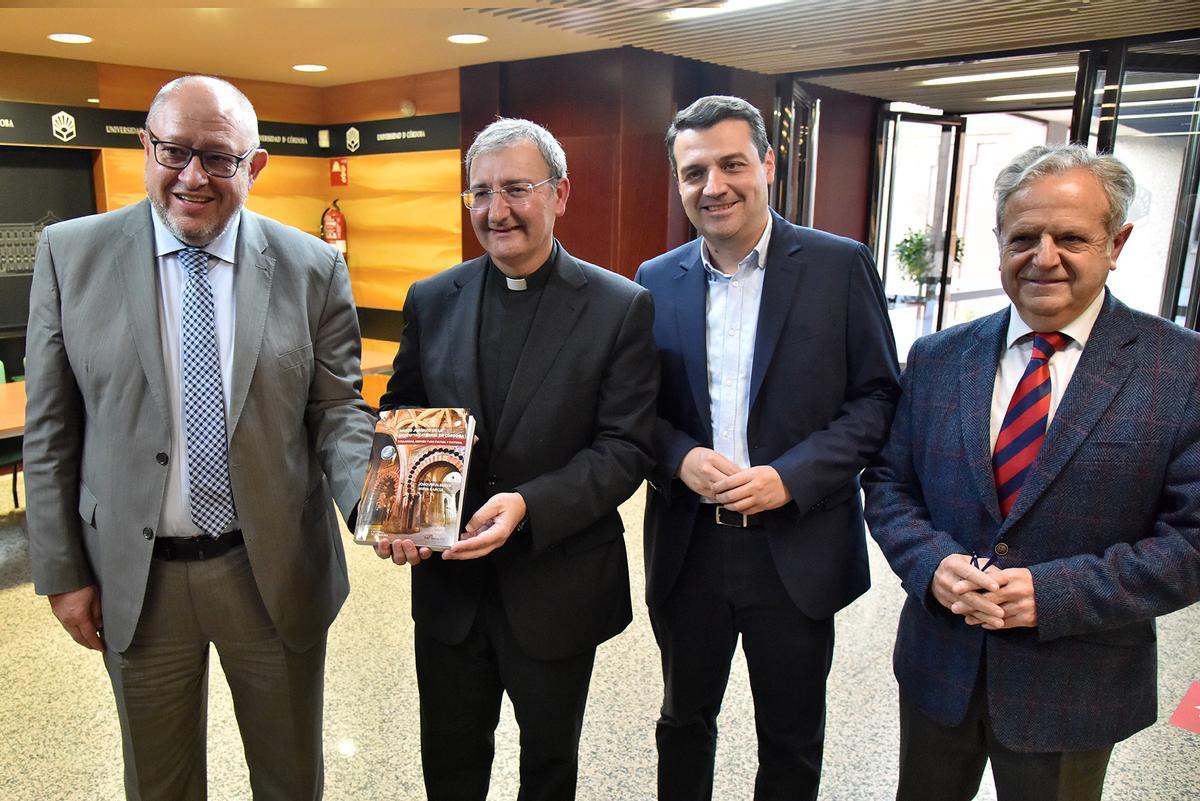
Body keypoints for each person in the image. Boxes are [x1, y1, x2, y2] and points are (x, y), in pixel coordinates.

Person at [23, 75, 376, 800]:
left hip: (271, 568)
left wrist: (381, 504)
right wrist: (61, 569)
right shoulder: (71, 254)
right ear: (146, 146)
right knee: (160, 784)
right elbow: (51, 428)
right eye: (174, 151)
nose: (192, 176)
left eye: (218, 158)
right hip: (135, 576)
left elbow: (338, 412)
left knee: (289, 780)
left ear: (255, 165)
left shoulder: (313, 267)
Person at [863, 144, 1200, 801]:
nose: (1044, 256)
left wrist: (1051, 594)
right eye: (1024, 236)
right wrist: (933, 563)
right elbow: (889, 484)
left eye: (1071, 237)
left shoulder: (1181, 369)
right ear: (998, 241)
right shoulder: (938, 357)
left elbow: (1192, 541)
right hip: (940, 666)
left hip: (1073, 682)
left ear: (1117, 242)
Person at [374, 117, 658, 801]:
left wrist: (531, 503)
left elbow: (626, 448)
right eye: (479, 192)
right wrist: (398, 512)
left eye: (516, 189)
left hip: (555, 582)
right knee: (449, 761)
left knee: (549, 766)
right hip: (450, 589)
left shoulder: (619, 307)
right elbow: (403, 412)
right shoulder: (432, 297)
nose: (496, 211)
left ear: (560, 194)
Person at [634, 95, 901, 801]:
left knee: (790, 735)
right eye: (694, 172)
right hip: (690, 547)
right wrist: (679, 458)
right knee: (682, 721)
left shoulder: (839, 268)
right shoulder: (654, 280)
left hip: (797, 545)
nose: (713, 186)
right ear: (678, 180)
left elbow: (878, 400)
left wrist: (791, 475)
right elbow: (634, 411)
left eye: (731, 164)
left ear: (768, 165)